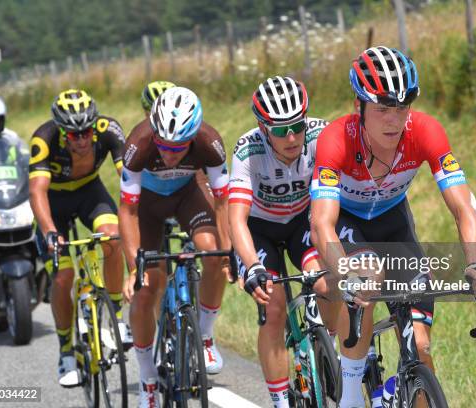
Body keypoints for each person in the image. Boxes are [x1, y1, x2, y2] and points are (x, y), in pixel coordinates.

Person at [309, 46, 476, 408]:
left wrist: (475, 264)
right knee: (367, 276)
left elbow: (464, 208)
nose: (393, 120)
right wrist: (344, 271)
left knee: (421, 348)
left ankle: (400, 389)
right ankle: (349, 395)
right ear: (359, 106)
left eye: (401, 107)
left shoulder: (426, 132)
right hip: (348, 224)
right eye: (381, 109)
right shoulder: (335, 139)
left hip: (395, 224)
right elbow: (321, 224)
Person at [229, 76, 338, 408]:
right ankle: (280, 402)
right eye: (280, 130)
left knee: (327, 284)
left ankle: (326, 350)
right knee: (274, 308)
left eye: (297, 126)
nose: (291, 137)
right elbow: (235, 219)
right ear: (264, 129)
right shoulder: (248, 150)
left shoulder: (322, 136)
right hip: (259, 230)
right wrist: (252, 267)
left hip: (301, 224)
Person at [120, 86, 232, 407]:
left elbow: (223, 201)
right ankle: (148, 380)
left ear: (193, 135)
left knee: (212, 253)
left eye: (179, 146)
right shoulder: (138, 145)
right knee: (146, 287)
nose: (169, 153)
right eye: (164, 145)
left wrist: (227, 253)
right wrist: (133, 267)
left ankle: (205, 335)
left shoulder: (209, 142)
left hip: (187, 195)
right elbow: (127, 210)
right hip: (148, 207)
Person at [28, 89, 130, 387]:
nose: (82, 140)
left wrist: (135, 220)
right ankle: (66, 352)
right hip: (54, 203)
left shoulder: (108, 130)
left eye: (85, 132)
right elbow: (37, 191)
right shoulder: (43, 138)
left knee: (113, 239)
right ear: (62, 131)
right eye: (74, 135)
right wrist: (48, 231)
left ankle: (116, 317)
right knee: (63, 276)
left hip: (89, 193)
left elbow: (129, 180)